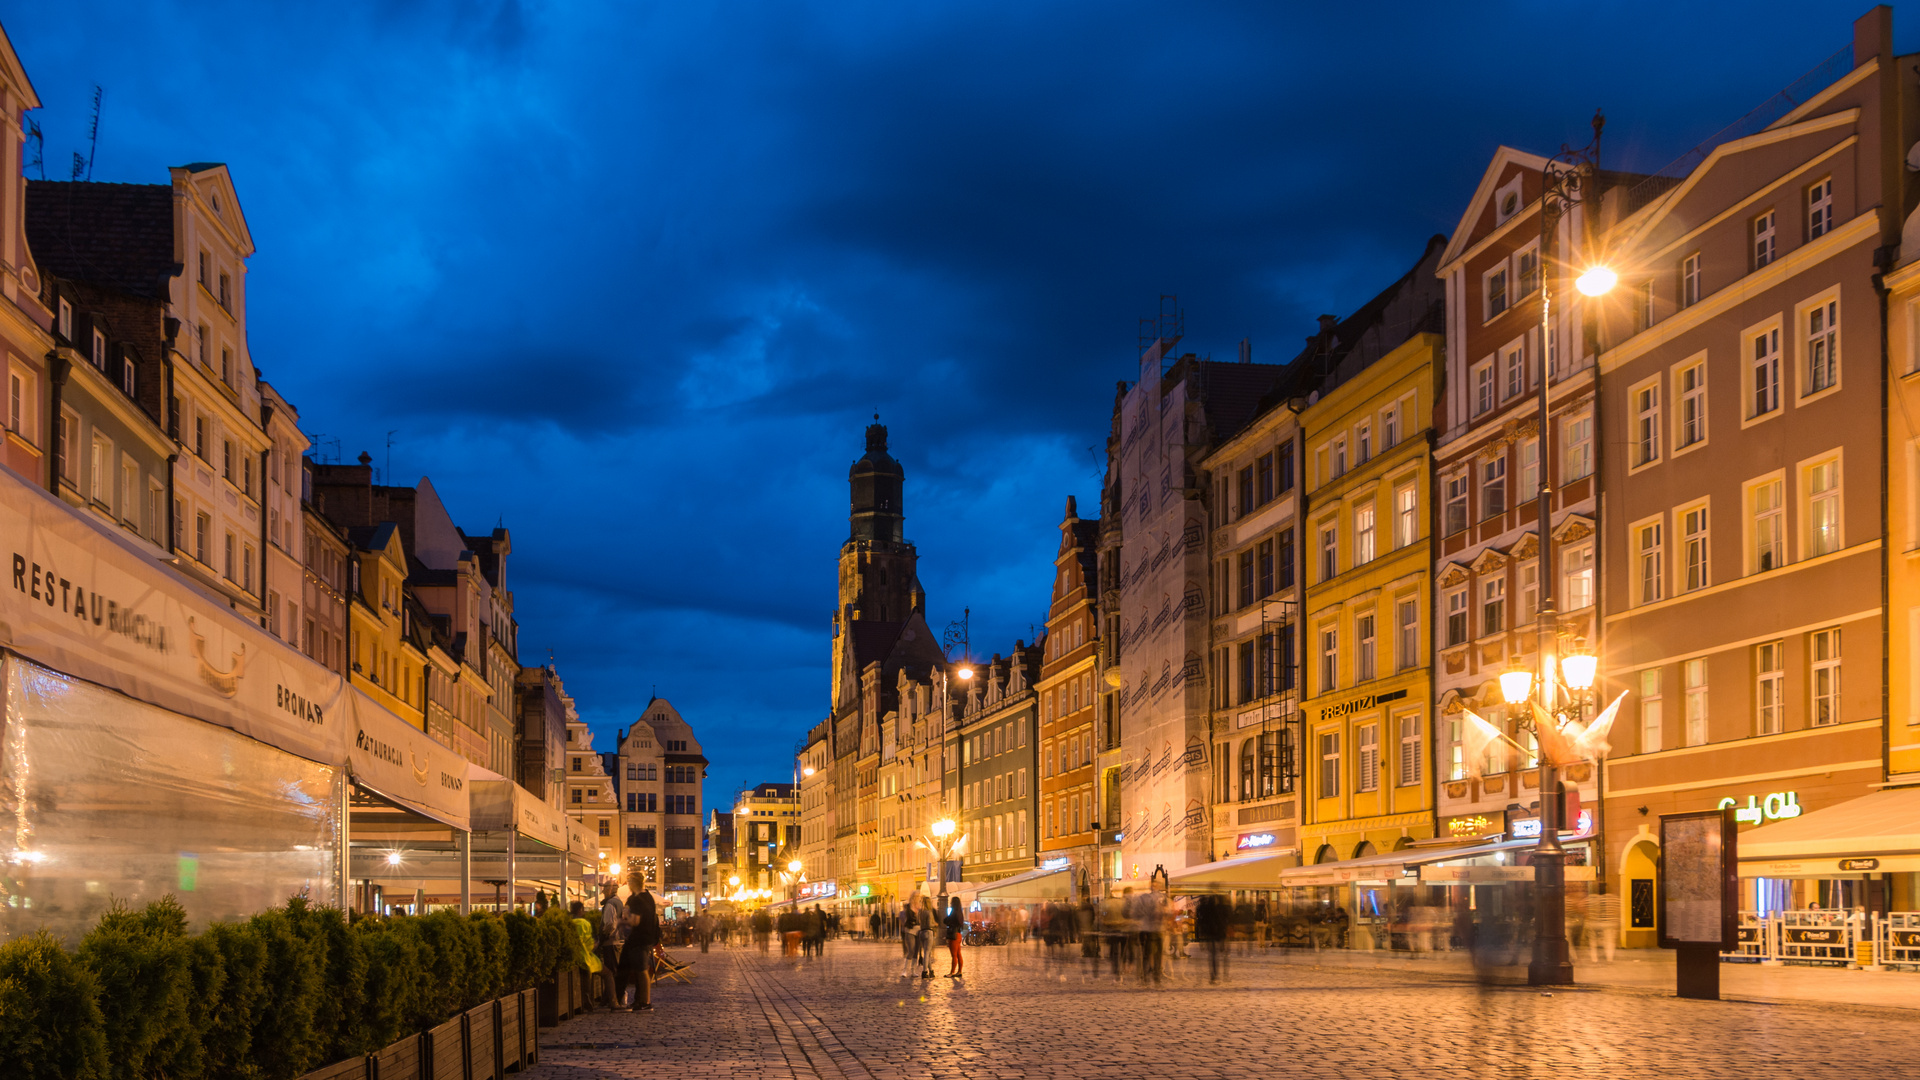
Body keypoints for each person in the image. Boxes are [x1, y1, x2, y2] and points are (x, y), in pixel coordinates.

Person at [620, 879, 661, 1012]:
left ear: (633, 884)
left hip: (639, 938)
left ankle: (645, 1002)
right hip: (646, 939)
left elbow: (635, 921)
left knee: (642, 970)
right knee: (639, 969)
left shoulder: (638, 899)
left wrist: (621, 920)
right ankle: (639, 1000)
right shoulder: (647, 897)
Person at [596, 879, 626, 1010]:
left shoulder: (610, 904)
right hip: (618, 941)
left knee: (611, 972)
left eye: (604, 888)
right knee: (612, 971)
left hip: (611, 942)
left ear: (610, 889)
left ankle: (614, 1001)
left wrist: (602, 938)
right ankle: (606, 1000)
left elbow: (609, 924)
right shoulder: (618, 902)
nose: (602, 891)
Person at [943, 896, 965, 978]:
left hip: (953, 935)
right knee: (958, 954)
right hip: (959, 934)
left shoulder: (953, 912)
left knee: (954, 955)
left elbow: (945, 920)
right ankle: (959, 971)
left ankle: (952, 972)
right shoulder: (960, 912)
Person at [900, 897, 922, 977]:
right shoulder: (909, 908)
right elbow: (907, 919)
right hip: (910, 931)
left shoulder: (920, 908)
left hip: (918, 931)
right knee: (911, 951)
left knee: (916, 952)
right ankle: (905, 971)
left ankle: (913, 971)